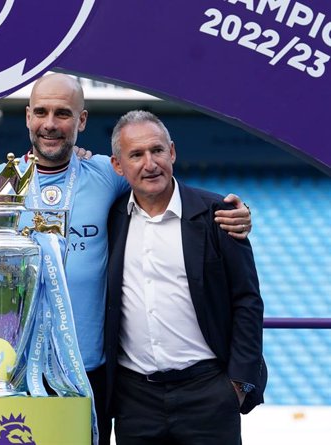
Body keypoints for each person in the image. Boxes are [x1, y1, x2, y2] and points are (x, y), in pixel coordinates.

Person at [7, 73, 252, 443]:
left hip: (95, 374)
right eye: (41, 112)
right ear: (27, 116)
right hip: (22, 371)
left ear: (81, 120)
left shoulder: (108, 174)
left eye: (63, 113)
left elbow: (156, 178)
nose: (50, 123)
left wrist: (240, 211)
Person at [105, 110, 266, 444]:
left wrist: (237, 386)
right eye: (136, 154)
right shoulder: (111, 217)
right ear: (118, 166)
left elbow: (248, 300)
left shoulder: (218, 214)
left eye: (157, 150)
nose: (150, 163)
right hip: (135, 399)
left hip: (209, 392)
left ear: (172, 152)